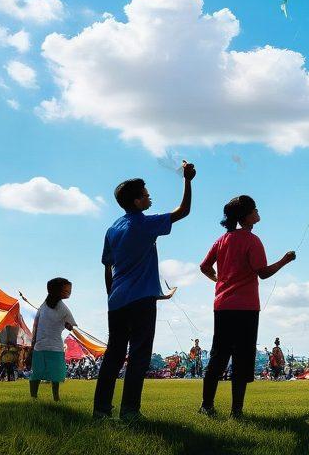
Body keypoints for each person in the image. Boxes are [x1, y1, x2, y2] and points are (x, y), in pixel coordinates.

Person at [94, 162, 196, 420]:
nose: (150, 197)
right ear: (138, 201)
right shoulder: (143, 224)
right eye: (146, 194)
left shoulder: (113, 228)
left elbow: (108, 267)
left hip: (117, 301)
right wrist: (188, 179)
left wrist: (111, 296)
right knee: (139, 355)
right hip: (140, 301)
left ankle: (101, 410)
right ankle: (129, 411)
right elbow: (183, 211)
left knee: (113, 356)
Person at [199, 195, 296, 418]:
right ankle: (236, 411)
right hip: (246, 307)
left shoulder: (221, 240)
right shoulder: (252, 240)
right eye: (254, 209)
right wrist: (285, 260)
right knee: (242, 357)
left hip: (222, 306)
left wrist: (220, 281)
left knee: (218, 356)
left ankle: (206, 406)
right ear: (246, 216)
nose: (257, 211)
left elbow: (204, 267)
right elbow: (263, 273)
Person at [30, 278, 83, 403]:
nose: (69, 292)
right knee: (38, 372)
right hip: (42, 345)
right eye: (66, 290)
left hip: (53, 346)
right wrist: (33, 343)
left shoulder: (62, 308)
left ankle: (56, 398)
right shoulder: (43, 307)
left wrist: (68, 325)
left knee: (54, 373)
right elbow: (36, 325)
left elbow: (69, 323)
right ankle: (34, 397)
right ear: (55, 290)